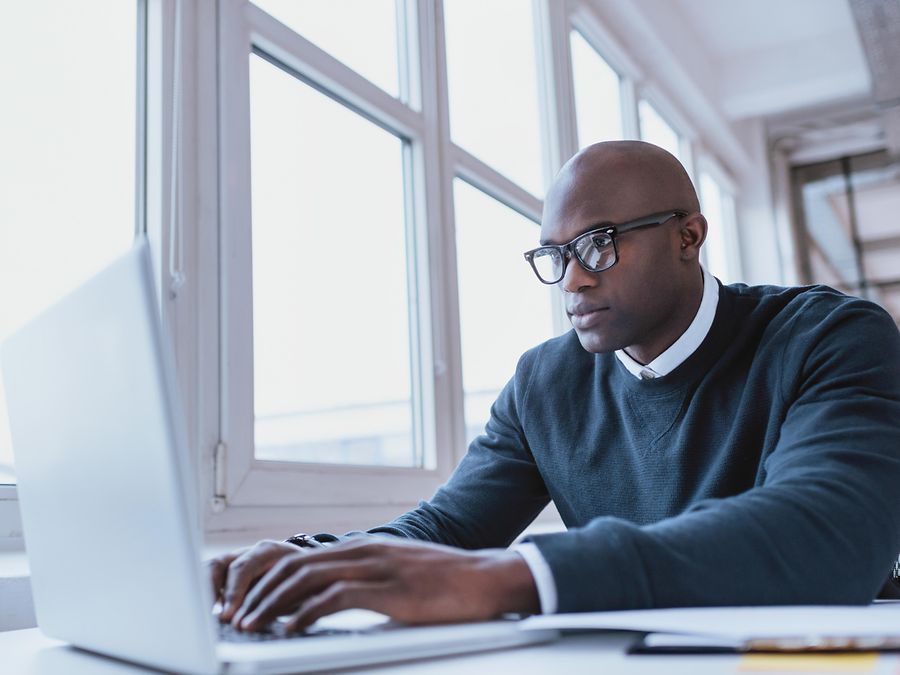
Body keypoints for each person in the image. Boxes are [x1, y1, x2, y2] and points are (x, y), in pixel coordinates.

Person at [209, 141, 900, 635]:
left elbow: (829, 534)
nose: (572, 279)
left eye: (599, 243)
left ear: (689, 237)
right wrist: (314, 559)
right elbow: (447, 529)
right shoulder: (544, 382)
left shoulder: (829, 337)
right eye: (554, 254)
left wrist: (517, 576)